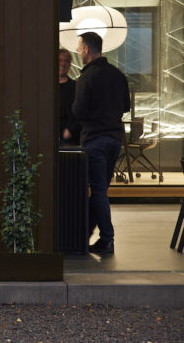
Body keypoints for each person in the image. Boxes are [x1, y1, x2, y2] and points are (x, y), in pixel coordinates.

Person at [73, 31, 130, 255]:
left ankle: (107, 238)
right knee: (100, 190)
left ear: (87, 50)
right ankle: (87, 233)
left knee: (97, 191)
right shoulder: (117, 75)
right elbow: (126, 106)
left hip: (94, 139)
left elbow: (78, 111)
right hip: (115, 139)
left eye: (79, 48)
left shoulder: (86, 77)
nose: (78, 52)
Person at [58, 48, 81, 145]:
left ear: (70, 64)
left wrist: (70, 130)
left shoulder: (76, 87)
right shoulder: (46, 87)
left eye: (66, 61)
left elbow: (81, 112)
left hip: (70, 139)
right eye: (60, 60)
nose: (63, 64)